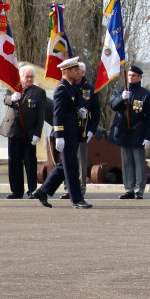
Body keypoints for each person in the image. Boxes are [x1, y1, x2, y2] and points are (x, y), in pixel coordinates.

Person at [34, 57, 92, 209]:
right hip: (65, 134)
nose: (78, 72)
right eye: (75, 70)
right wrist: (59, 137)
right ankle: (77, 199)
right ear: (67, 72)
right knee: (71, 167)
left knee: (63, 166)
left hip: (72, 133)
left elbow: (68, 109)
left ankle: (43, 191)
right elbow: (57, 115)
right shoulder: (61, 89)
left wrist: (78, 111)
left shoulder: (70, 87)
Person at [0, 64, 45, 199]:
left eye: (31, 77)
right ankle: (16, 191)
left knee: (30, 162)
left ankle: (32, 190)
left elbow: (41, 116)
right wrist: (12, 98)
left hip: (29, 133)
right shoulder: (12, 88)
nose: (29, 79)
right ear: (21, 77)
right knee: (14, 162)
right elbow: (5, 100)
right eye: (27, 77)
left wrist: (37, 133)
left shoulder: (39, 92)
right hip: (13, 131)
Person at [108, 65, 150, 199]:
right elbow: (112, 106)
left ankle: (139, 190)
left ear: (140, 77)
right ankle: (129, 188)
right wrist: (121, 98)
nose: (131, 77)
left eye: (134, 75)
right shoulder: (119, 91)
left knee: (139, 162)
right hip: (123, 132)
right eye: (129, 75)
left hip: (138, 132)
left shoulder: (146, 94)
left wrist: (149, 137)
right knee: (127, 162)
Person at [60, 62, 100, 199]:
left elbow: (96, 112)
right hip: (69, 130)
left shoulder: (89, 89)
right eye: (76, 71)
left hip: (83, 130)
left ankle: (81, 189)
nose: (79, 73)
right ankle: (68, 188)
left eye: (80, 71)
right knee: (67, 160)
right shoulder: (67, 87)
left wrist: (91, 130)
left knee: (81, 161)